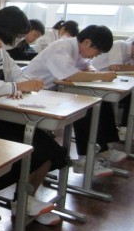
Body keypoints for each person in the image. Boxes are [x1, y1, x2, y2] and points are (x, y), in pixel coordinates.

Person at [0, 6, 67, 225]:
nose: (20, 40)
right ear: (8, 30)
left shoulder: (0, 51)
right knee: (29, 151)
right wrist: (15, 86)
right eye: (18, 35)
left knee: (51, 150)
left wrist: (28, 84)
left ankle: (25, 200)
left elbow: (17, 74)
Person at [22, 25, 123, 175]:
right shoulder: (62, 47)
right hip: (32, 93)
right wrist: (101, 75)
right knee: (83, 106)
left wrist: (93, 71)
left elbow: (87, 67)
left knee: (100, 102)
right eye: (97, 52)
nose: (96, 56)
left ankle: (103, 149)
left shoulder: (80, 51)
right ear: (87, 42)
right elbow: (69, 75)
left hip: (51, 92)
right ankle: (84, 159)